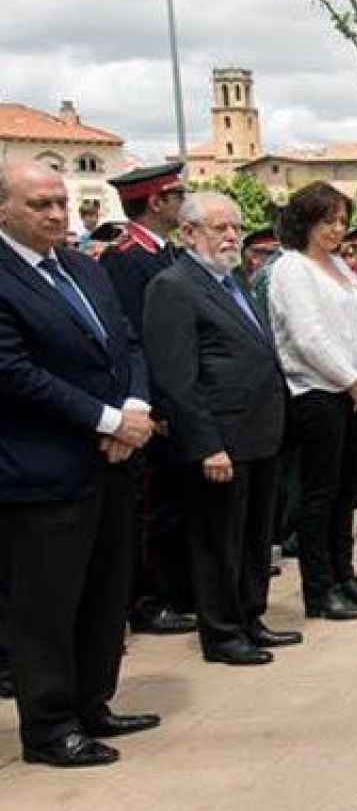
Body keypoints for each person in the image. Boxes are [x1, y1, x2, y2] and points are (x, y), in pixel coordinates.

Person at [0, 160, 160, 766]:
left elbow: (127, 340)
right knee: (46, 602)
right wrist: (106, 419)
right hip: (42, 470)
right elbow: (14, 373)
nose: (56, 213)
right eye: (39, 203)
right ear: (3, 211)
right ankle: (48, 725)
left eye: (60, 202)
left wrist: (135, 408)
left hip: (112, 460)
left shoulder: (80, 269)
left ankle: (94, 702)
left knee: (105, 589)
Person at [142, 192, 296, 667]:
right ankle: (223, 631)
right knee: (217, 541)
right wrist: (206, 444)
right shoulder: (174, 286)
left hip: (260, 433)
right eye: (218, 228)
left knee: (254, 536)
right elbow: (176, 378)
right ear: (188, 234)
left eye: (235, 227)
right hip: (221, 440)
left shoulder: (237, 282)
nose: (231, 236)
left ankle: (250, 615)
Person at [268, 182, 357, 622]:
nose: (337, 230)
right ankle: (319, 588)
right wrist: (351, 379)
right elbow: (307, 336)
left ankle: (345, 575)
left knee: (347, 492)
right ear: (306, 222)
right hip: (317, 393)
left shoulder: (341, 266)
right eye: (327, 221)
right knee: (320, 494)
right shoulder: (291, 269)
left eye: (342, 220)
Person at [103, 163, 197, 637]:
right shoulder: (125, 259)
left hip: (177, 400)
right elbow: (136, 338)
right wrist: (153, 406)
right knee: (154, 507)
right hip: (152, 407)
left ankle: (177, 589)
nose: (186, 201)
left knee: (176, 503)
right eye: (178, 194)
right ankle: (148, 598)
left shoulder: (164, 254)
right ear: (156, 202)